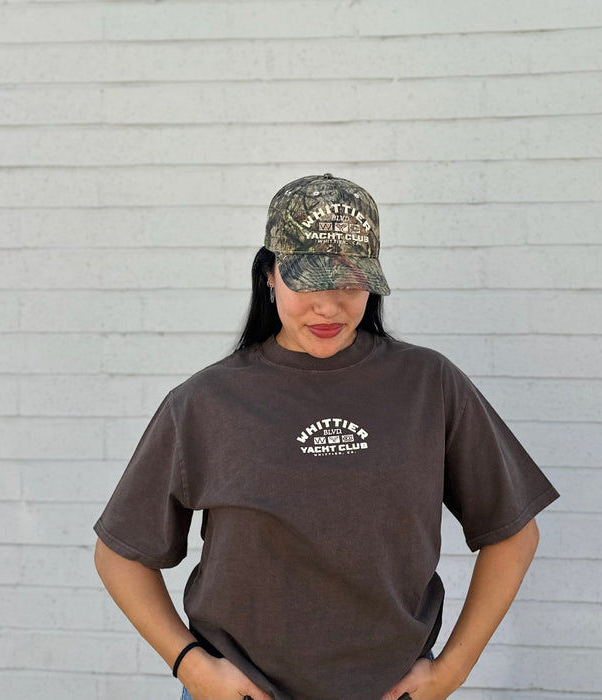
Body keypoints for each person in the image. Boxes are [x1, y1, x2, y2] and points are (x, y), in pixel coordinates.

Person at [94, 173, 559, 700]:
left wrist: (450, 672)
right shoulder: (205, 402)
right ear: (269, 276)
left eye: (350, 283)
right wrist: (193, 668)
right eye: (309, 281)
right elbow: (119, 553)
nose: (329, 307)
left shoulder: (428, 384)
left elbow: (513, 532)